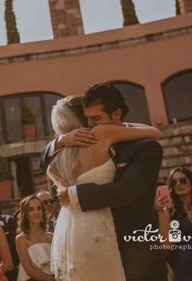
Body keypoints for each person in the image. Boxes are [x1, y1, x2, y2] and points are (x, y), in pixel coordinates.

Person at [43, 86, 166, 281]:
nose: (90, 124)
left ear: (116, 113)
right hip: (92, 230)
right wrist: (59, 141)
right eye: (87, 119)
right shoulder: (67, 146)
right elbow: (155, 131)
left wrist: (74, 193)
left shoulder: (145, 147)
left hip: (131, 242)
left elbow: (127, 190)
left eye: (95, 119)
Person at [15, 195, 53, 281]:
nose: (36, 212)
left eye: (39, 208)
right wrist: (52, 279)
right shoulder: (21, 239)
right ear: (25, 214)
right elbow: (29, 270)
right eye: (31, 209)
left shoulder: (51, 236)